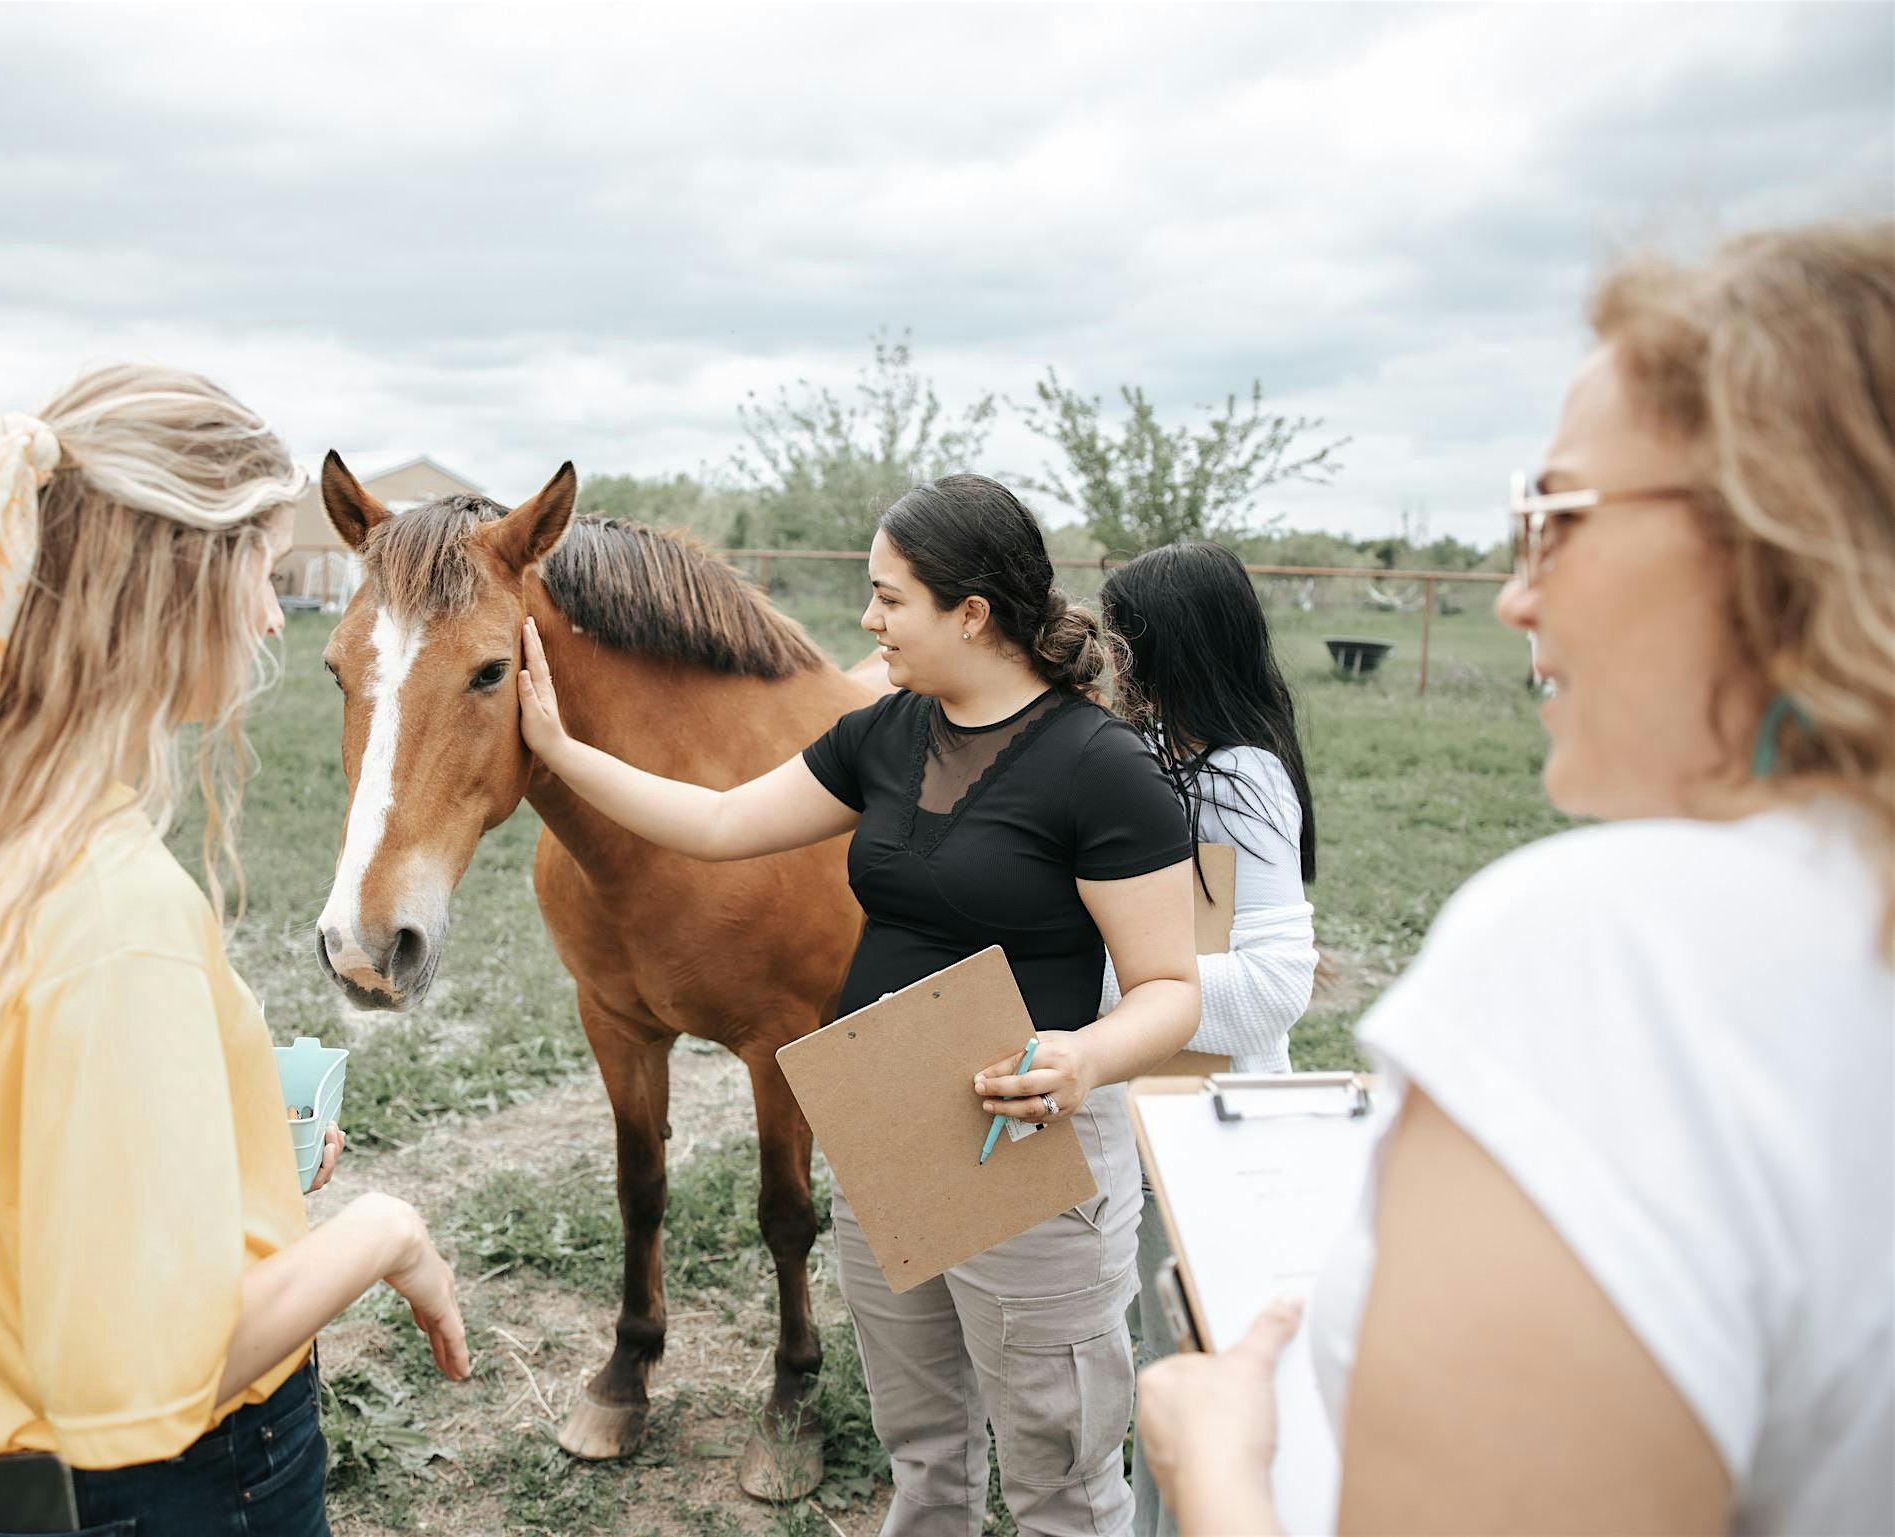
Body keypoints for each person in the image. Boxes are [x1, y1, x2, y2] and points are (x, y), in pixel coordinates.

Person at [1138, 222, 1895, 1534]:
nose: (1513, 597)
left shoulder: (1615, 952)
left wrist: (1218, 1465)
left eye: (1551, 518)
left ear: (1776, 534)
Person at [0, 365, 470, 1537]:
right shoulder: (115, 910)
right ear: (179, 580)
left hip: (24, 1490)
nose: (278, 618)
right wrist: (388, 1232)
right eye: (264, 574)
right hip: (193, 1485)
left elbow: (34, 1138)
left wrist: (224, 1110)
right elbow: (169, 1359)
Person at [517, 472, 1199, 1536]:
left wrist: (1087, 1059)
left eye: (889, 597)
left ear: (970, 614)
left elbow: (1169, 990)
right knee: (921, 1459)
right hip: (890, 1130)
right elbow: (711, 822)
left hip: (1024, 1153)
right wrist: (558, 750)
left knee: (1059, 1483)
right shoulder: (883, 734)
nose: (867, 619)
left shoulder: (1099, 769)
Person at [1095, 540, 1320, 1537]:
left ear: (1167, 648)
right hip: (1121, 1109)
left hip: (1203, 1122)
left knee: (1183, 1357)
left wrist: (1113, 997)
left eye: (1121, 636)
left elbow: (1276, 983)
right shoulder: (1138, 758)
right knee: (1143, 1355)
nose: (1106, 655)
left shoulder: (1239, 778)